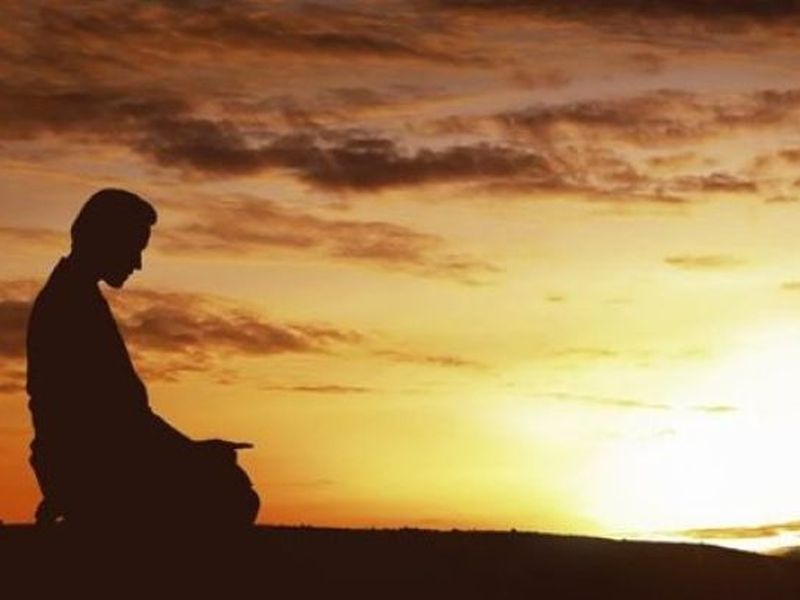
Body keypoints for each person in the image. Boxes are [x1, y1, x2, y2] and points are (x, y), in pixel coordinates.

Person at [26, 188, 260, 531]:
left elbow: (124, 417)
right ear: (104, 240)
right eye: (133, 248)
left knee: (227, 480)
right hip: (96, 467)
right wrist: (191, 454)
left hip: (95, 461)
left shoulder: (74, 295)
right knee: (233, 493)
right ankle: (95, 518)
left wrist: (191, 451)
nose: (137, 264)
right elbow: (115, 422)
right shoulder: (70, 304)